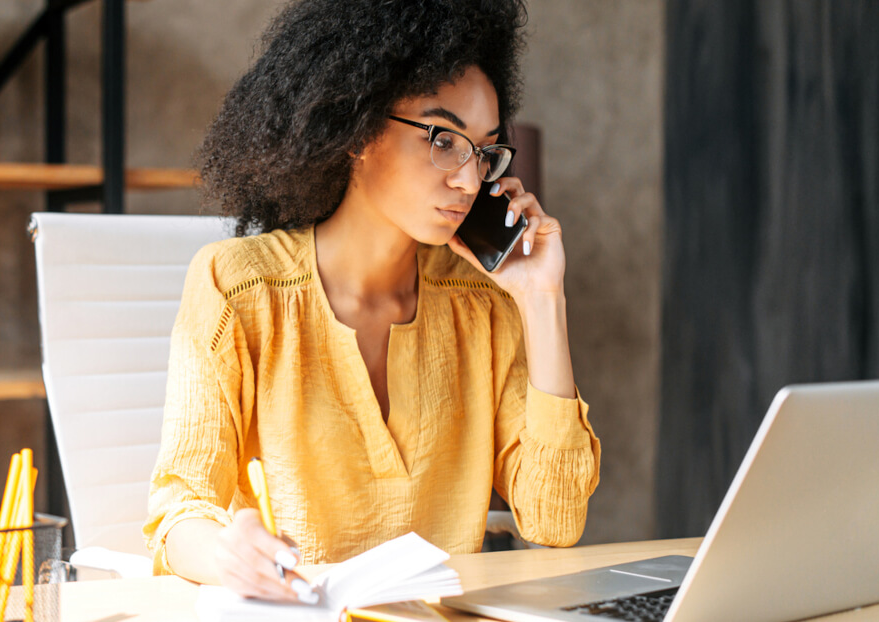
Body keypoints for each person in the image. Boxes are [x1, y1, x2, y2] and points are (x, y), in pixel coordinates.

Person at [142, 0, 601, 604]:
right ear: (357, 130)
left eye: (484, 150)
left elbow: (554, 518)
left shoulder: (481, 303)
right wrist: (228, 552)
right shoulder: (238, 287)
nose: (469, 179)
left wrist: (543, 300)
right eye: (443, 139)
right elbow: (178, 514)